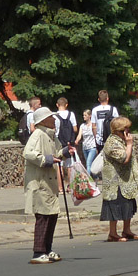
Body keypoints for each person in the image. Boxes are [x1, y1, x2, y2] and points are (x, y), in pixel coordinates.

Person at [23, 106, 65, 264]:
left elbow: (57, 153)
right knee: (43, 217)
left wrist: (66, 152)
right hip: (39, 183)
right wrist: (45, 159)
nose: (54, 120)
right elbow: (28, 153)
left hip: (49, 183)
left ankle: (48, 248)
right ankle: (38, 251)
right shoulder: (38, 134)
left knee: (52, 215)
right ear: (43, 121)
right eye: (51, 117)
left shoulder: (52, 136)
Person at [100, 116, 138, 242]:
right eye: (126, 129)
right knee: (115, 205)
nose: (128, 132)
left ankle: (126, 230)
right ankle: (112, 233)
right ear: (118, 130)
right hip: (114, 181)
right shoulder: (112, 142)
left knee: (127, 204)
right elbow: (124, 159)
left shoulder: (121, 141)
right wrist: (129, 144)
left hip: (125, 180)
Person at [54, 96, 78, 166]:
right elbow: (75, 129)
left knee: (59, 163)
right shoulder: (71, 114)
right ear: (66, 105)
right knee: (70, 164)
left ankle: (60, 177)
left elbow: (54, 130)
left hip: (59, 142)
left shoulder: (55, 116)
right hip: (70, 142)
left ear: (57, 105)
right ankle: (70, 177)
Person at [78, 108, 98, 173]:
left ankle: (88, 180)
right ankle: (95, 176)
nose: (84, 117)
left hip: (92, 147)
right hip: (85, 147)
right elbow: (79, 135)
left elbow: (96, 135)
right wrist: (76, 141)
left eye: (85, 115)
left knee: (88, 163)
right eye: (83, 115)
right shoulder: (82, 126)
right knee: (89, 164)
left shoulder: (94, 125)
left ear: (90, 116)